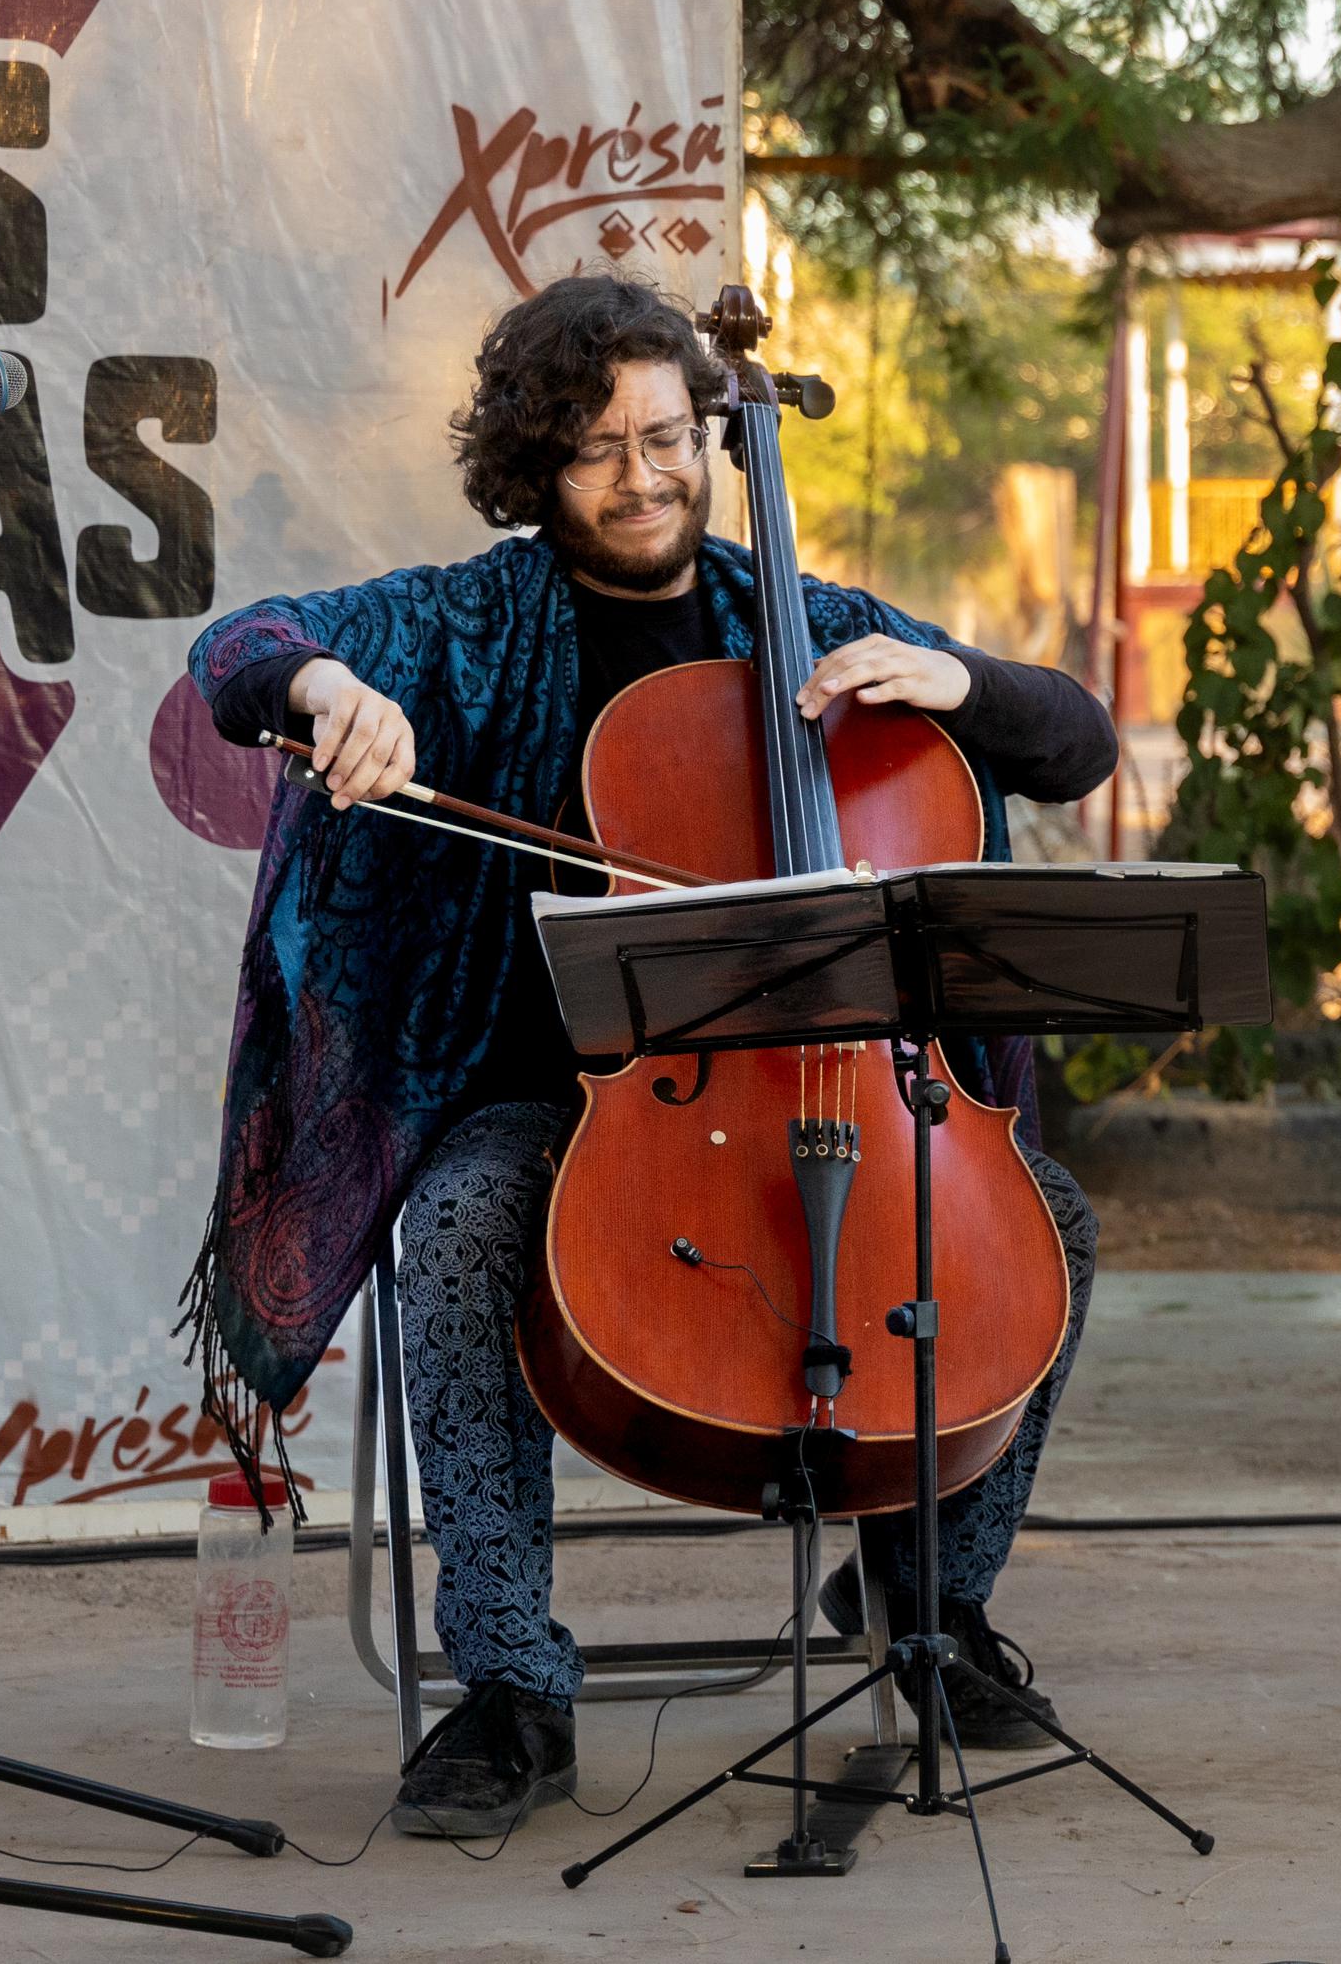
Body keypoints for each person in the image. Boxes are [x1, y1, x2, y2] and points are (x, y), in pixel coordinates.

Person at [175, 276, 1117, 1841]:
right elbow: (239, 649)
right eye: (597, 447)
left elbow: (1073, 737)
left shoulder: (804, 623)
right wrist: (327, 691)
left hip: (836, 1088)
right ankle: (510, 1683)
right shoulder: (474, 621)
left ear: (711, 433)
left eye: (669, 435)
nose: (644, 475)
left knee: (1055, 1227)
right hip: (571, 1101)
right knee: (460, 1221)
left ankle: (927, 1605)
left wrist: (962, 683)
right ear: (535, 467)